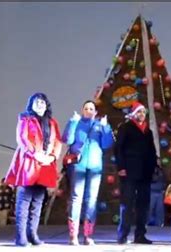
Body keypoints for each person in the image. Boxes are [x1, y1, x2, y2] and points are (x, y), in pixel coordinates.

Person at [4, 92, 62, 246]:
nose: (40, 105)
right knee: (24, 201)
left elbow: (57, 141)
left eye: (43, 102)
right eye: (37, 102)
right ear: (31, 104)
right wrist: (35, 154)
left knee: (37, 202)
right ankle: (20, 237)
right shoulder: (25, 118)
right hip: (29, 163)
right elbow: (23, 138)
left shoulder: (52, 122)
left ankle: (33, 234)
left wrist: (52, 157)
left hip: (45, 164)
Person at [62, 100, 114, 245]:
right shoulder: (77, 123)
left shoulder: (99, 125)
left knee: (91, 200)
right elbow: (67, 139)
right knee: (76, 198)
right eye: (86, 108)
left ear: (95, 112)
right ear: (82, 110)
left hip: (95, 167)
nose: (89, 111)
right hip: (78, 166)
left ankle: (88, 235)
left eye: (92, 109)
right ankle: (73, 235)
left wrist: (105, 128)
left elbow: (107, 144)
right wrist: (72, 122)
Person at [115, 101, 158, 245]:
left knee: (143, 205)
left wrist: (153, 168)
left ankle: (140, 234)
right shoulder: (126, 128)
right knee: (127, 203)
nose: (142, 114)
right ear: (134, 114)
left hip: (145, 173)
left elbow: (152, 151)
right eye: (139, 112)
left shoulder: (148, 131)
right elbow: (118, 148)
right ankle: (123, 234)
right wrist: (121, 167)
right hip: (129, 171)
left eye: (143, 112)